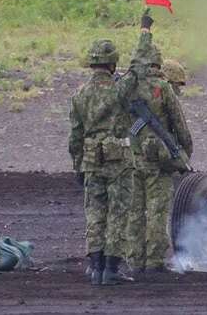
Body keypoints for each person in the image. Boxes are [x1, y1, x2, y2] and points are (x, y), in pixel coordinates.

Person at [125, 12, 193, 273]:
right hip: (158, 161)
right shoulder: (162, 89)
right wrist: (183, 154)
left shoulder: (130, 85)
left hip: (132, 158)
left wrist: (144, 30)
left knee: (135, 211)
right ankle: (153, 261)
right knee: (156, 211)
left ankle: (134, 260)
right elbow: (180, 127)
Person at [68, 39, 133, 285]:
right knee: (118, 213)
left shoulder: (79, 95)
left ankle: (95, 268)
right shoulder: (120, 89)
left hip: (91, 160)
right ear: (113, 63)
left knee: (95, 213)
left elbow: (75, 136)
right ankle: (111, 269)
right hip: (118, 161)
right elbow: (138, 67)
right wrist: (145, 31)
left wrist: (78, 166)